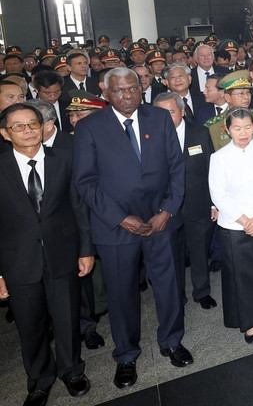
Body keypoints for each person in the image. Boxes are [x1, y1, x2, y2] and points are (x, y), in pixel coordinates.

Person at [72, 67, 192, 390]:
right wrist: (120, 217)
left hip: (159, 221)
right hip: (116, 227)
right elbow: (85, 182)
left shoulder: (159, 118)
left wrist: (166, 210)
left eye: (133, 89)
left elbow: (176, 169)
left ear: (142, 88)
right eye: (119, 91)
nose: (127, 96)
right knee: (122, 292)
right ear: (105, 92)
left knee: (168, 285)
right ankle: (126, 355)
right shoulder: (90, 128)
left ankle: (172, 340)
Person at [0, 104, 93, 406]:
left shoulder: (65, 158)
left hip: (63, 253)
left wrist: (86, 249)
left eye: (33, 123)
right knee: (30, 325)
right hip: (17, 261)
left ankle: (71, 370)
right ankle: (39, 379)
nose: (28, 130)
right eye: (18, 126)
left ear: (43, 126)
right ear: (5, 133)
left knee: (67, 318)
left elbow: (79, 207)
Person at [208, 108, 253, 343]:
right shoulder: (219, 158)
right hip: (235, 228)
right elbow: (218, 196)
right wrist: (245, 221)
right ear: (227, 130)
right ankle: (250, 321)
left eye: (248, 127)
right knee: (243, 277)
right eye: (237, 128)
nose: (243, 133)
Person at [153, 92, 218, 311]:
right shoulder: (149, 138)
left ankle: (202, 292)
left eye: (170, 111)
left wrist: (213, 203)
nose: (165, 117)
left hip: (198, 202)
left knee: (200, 251)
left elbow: (211, 168)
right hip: (165, 208)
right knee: (172, 255)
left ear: (182, 111)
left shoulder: (200, 132)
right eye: (160, 113)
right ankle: (176, 296)